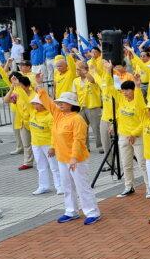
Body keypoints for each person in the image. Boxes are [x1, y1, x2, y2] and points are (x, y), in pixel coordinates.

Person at [36, 90, 101, 225]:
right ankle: (71, 211)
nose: (60, 104)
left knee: (82, 185)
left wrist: (74, 157)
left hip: (77, 159)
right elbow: (48, 104)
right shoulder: (58, 115)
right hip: (62, 158)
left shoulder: (77, 119)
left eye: (63, 102)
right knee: (67, 185)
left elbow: (79, 140)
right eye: (59, 102)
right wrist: (40, 88)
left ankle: (92, 212)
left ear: (71, 105)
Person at [113, 77, 148, 197]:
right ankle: (129, 186)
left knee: (142, 163)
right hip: (123, 136)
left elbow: (144, 121)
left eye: (128, 90)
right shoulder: (122, 100)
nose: (125, 93)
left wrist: (138, 86)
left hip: (138, 137)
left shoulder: (139, 102)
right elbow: (108, 88)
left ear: (133, 90)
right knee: (126, 163)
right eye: (123, 90)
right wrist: (107, 71)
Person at [27, 94, 62, 196]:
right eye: (33, 104)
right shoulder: (33, 112)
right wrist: (17, 86)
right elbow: (25, 98)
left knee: (54, 166)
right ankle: (43, 186)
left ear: (43, 105)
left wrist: (52, 147)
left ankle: (59, 186)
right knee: (41, 166)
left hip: (47, 144)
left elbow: (54, 133)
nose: (34, 106)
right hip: (36, 144)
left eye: (36, 104)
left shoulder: (50, 116)